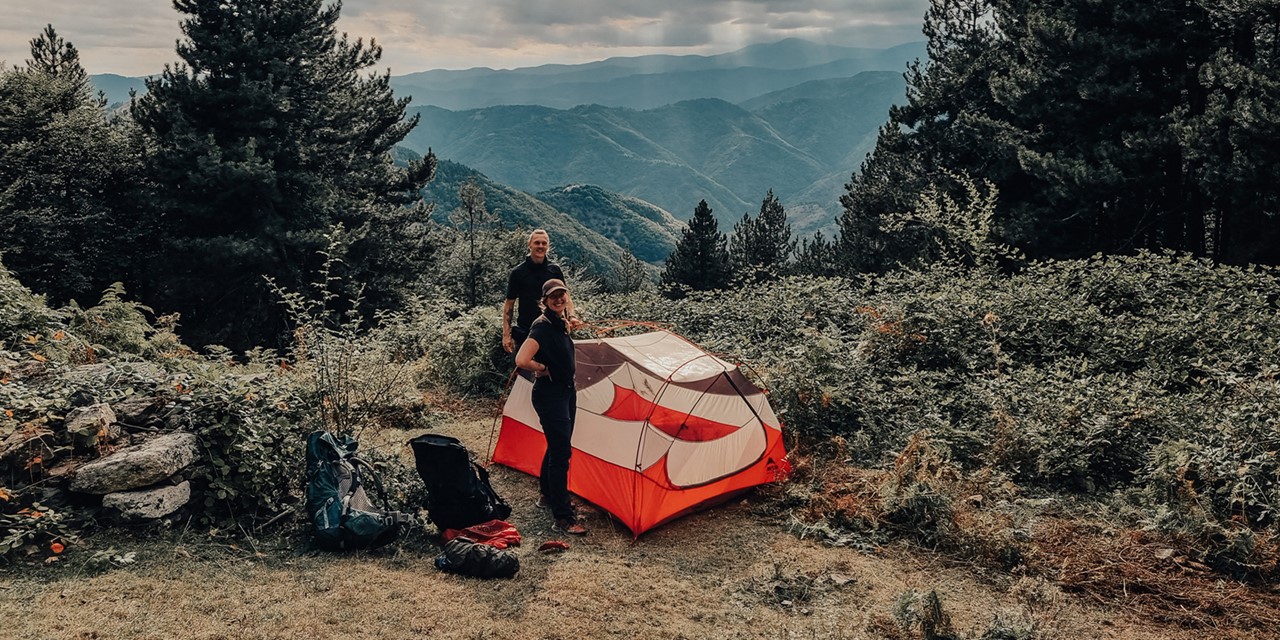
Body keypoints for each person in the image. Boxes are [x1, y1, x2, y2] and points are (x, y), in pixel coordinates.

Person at [514, 278, 587, 535]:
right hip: (550, 395)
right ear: (544, 300)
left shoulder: (559, 323)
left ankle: (547, 495)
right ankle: (563, 517)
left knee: (557, 447)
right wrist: (541, 368)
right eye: (553, 296)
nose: (558, 299)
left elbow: (560, 344)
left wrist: (570, 322)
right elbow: (522, 359)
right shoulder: (542, 327)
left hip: (566, 392)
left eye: (562, 295)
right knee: (561, 453)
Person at [502, 229, 583, 355]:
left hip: (554, 330)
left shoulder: (554, 270)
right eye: (537, 243)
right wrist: (506, 334)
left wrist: (571, 316)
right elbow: (509, 305)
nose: (541, 246)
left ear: (548, 246)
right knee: (524, 371)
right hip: (526, 331)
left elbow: (566, 297)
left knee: (555, 371)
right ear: (530, 245)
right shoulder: (518, 273)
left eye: (544, 243)